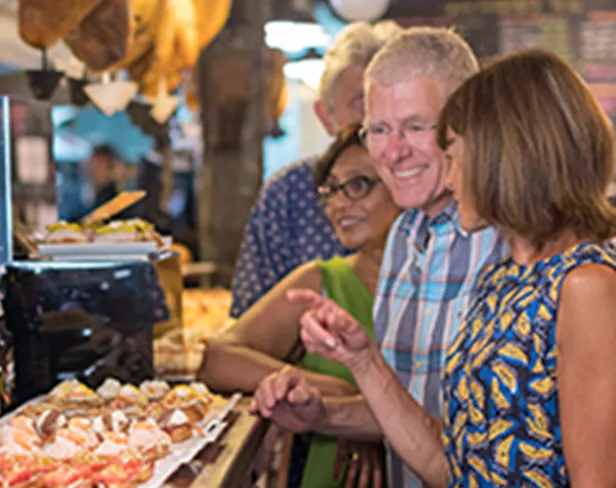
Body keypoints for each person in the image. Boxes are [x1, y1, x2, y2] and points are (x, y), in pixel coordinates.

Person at [263, 50, 616, 487]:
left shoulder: (586, 285)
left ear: (503, 158)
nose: (449, 178)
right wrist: (362, 359)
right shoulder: (501, 279)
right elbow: (452, 464)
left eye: (456, 155)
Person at [252, 28, 507, 488]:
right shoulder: (404, 236)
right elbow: (408, 416)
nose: (392, 152)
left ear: (465, 125)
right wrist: (320, 413)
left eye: (414, 127)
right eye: (379, 130)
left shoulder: (512, 242)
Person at [201, 124, 400, 488]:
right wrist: (338, 394)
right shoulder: (321, 282)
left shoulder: (438, 289)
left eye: (358, 186)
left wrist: (368, 423)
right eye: (331, 191)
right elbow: (217, 358)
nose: (338, 204)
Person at [231, 22, 400, 317]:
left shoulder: (435, 190)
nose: (377, 122)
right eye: (362, 105)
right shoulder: (289, 194)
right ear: (326, 116)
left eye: (390, 105)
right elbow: (247, 317)